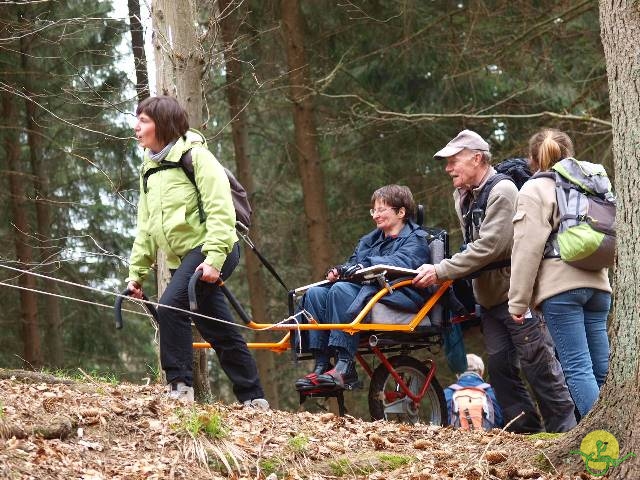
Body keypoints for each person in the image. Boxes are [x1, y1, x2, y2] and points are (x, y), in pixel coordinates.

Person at [413, 129, 576, 433]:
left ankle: (565, 431)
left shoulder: (503, 191)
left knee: (538, 363)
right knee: (500, 369)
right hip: (488, 299)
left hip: (516, 294)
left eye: (454, 161)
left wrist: (441, 270)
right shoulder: (463, 196)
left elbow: (491, 247)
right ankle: (525, 430)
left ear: (477, 158)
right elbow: (474, 246)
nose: (448, 168)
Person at [125, 95, 268, 409]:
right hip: (184, 259)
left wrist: (214, 258)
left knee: (170, 307)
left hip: (214, 248)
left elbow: (220, 211)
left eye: (143, 121)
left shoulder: (197, 157)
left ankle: (180, 390)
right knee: (218, 328)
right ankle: (254, 398)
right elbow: (146, 226)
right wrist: (136, 273)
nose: (136, 127)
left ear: (162, 124)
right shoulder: (148, 168)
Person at [509, 128, 612, 419]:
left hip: (561, 289)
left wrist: (518, 302)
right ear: (571, 153)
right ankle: (613, 433)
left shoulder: (534, 189)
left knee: (577, 368)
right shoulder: (591, 183)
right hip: (599, 284)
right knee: (600, 370)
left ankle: (603, 444)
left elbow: (526, 249)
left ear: (532, 159)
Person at [295, 185, 431, 391]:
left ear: (401, 212)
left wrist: (363, 266)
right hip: (367, 290)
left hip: (397, 293)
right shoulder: (370, 240)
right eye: (373, 210)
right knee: (315, 294)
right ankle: (322, 364)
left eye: (381, 210)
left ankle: (345, 365)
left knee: (340, 291)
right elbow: (354, 263)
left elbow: (402, 261)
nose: (375, 215)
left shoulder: (416, 239)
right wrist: (340, 270)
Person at [444, 353, 503, 429]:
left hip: (454, 439)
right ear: (481, 372)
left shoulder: (445, 394)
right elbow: (501, 422)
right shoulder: (495, 393)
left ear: (457, 374)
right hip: (488, 439)